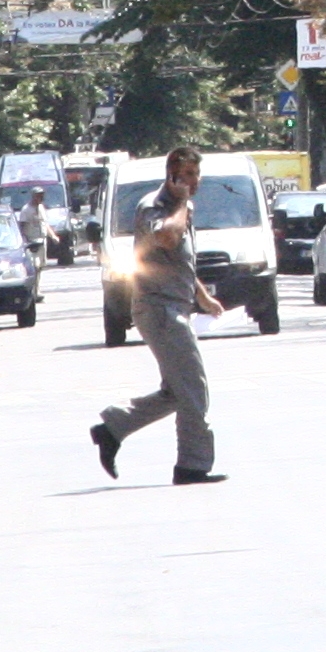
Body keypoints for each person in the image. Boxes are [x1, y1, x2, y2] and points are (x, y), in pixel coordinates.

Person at [89, 149, 224, 485]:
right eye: (186, 174)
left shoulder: (184, 209)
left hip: (175, 306)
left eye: (196, 174)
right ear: (171, 175)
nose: (193, 181)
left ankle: (113, 428)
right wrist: (181, 203)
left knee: (178, 391)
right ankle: (192, 466)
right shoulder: (154, 206)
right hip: (159, 308)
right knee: (193, 389)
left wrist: (202, 296)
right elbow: (167, 237)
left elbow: (176, 260)